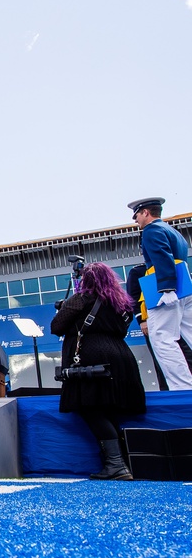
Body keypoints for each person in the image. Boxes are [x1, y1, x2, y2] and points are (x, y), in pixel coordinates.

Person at [51, 262, 145, 480]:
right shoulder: (122, 302)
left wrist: (65, 307)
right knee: (108, 409)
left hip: (90, 359)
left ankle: (116, 465)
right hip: (121, 357)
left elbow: (56, 327)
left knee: (90, 407)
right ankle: (120, 464)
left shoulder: (81, 298)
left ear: (87, 280)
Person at [128, 197, 192, 390]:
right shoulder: (172, 231)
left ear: (146, 212)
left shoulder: (152, 230)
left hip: (164, 290)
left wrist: (166, 287)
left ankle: (183, 388)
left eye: (137, 215)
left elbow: (162, 256)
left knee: (162, 338)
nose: (136, 220)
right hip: (185, 288)